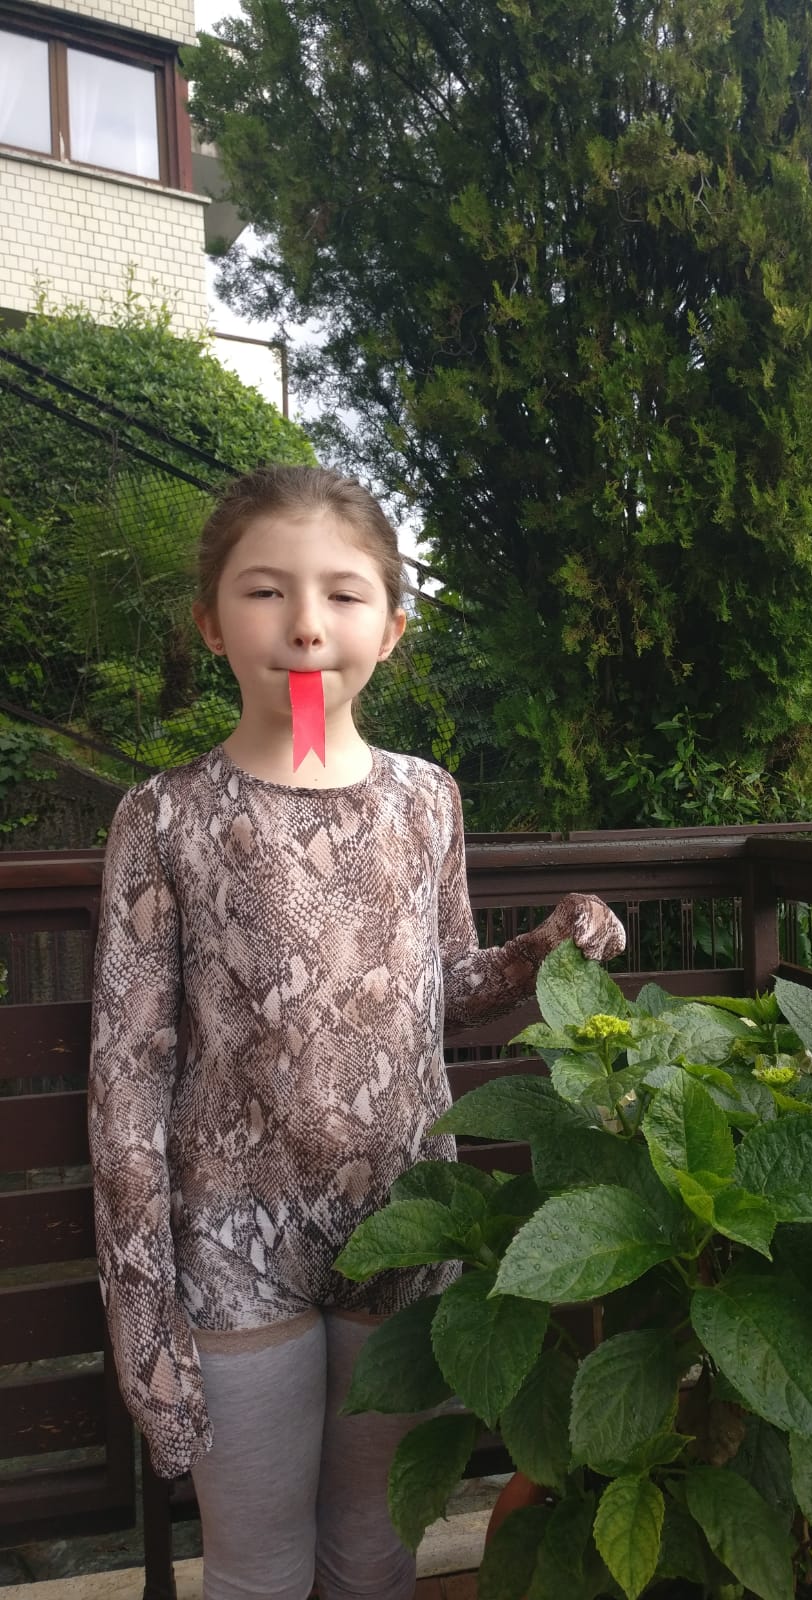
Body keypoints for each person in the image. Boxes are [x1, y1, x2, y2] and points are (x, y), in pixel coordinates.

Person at [88, 464, 625, 1600]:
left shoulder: (427, 800)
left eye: (342, 593)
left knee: (376, 1559)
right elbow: (126, 1082)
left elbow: (445, 989)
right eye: (264, 591)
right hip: (231, 1247)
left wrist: (541, 953)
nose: (305, 626)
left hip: (406, 1220)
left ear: (391, 626)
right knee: (258, 1573)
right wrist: (141, 1311)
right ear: (211, 620)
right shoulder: (164, 815)